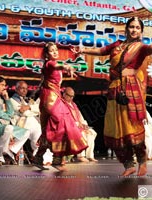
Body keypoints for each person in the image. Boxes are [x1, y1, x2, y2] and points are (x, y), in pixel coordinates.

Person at [72, 16, 152, 176]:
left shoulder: (140, 47)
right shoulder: (117, 45)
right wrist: (82, 50)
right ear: (127, 28)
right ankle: (128, 164)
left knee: (132, 126)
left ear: (141, 31)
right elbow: (101, 50)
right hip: (114, 89)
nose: (134, 30)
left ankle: (142, 160)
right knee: (116, 127)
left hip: (131, 89)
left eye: (137, 28)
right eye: (131, 27)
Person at [36, 42, 88, 171]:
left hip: (54, 97)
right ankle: (57, 158)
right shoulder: (50, 64)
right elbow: (58, 66)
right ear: (47, 55)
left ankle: (40, 157)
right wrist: (67, 67)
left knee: (50, 128)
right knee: (60, 123)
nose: (55, 52)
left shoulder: (51, 65)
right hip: (50, 99)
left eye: (56, 50)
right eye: (51, 51)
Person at [0, 76, 31, 164]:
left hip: (2, 125)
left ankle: (10, 150)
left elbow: (10, 112)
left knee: (26, 132)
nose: (4, 87)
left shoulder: (0, 98)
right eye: (2, 85)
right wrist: (10, 116)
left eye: (4, 85)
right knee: (9, 128)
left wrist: (7, 99)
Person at [62, 87, 98, 162]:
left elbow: (80, 116)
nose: (71, 98)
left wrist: (84, 124)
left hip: (78, 125)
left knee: (91, 133)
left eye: (72, 96)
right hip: (69, 126)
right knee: (81, 134)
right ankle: (81, 156)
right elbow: (65, 118)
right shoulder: (62, 104)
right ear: (64, 94)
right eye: (69, 96)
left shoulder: (73, 104)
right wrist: (78, 124)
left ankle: (90, 155)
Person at [10, 81, 42, 157]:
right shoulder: (12, 100)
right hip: (19, 125)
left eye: (26, 89)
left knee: (37, 127)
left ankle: (36, 153)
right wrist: (34, 111)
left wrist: (29, 107)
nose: (25, 90)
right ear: (16, 89)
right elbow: (25, 114)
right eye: (22, 88)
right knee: (31, 119)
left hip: (30, 125)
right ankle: (35, 151)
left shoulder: (27, 100)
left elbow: (39, 109)